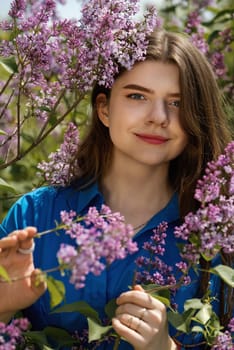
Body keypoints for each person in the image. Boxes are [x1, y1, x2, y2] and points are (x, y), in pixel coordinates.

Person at [0, 28, 232, 350]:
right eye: (137, 96)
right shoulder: (34, 218)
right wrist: (4, 307)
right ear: (104, 109)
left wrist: (166, 348)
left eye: (177, 103)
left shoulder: (219, 238)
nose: (158, 117)